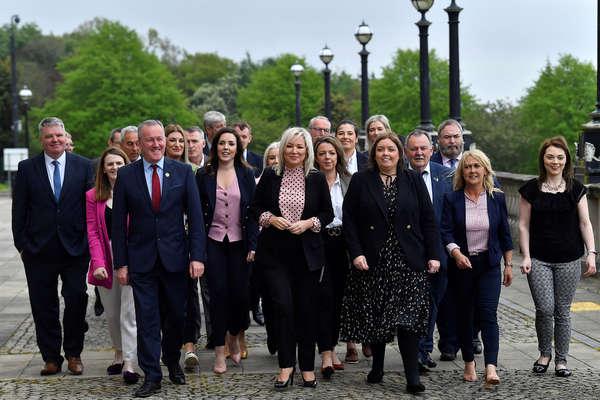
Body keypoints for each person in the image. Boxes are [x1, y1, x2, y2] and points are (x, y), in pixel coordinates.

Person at [340, 132, 440, 394]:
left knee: (407, 321)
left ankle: (411, 378)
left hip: (408, 260)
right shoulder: (362, 181)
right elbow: (349, 220)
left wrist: (433, 255)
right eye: (380, 149)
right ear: (373, 154)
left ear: (400, 154)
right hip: (374, 259)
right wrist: (356, 253)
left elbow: (428, 220)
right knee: (377, 316)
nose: (386, 153)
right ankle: (377, 366)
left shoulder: (413, 180)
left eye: (391, 150)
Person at [112, 120, 206, 398]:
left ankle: (172, 360)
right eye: (149, 140)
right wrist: (121, 263)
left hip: (176, 259)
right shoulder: (127, 175)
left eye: (159, 139)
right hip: (141, 261)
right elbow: (118, 224)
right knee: (147, 319)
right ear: (139, 143)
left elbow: (196, 218)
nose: (156, 144)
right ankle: (152, 374)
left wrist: (196, 256)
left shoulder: (182, 172)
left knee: (177, 317)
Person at [251, 127, 333, 390]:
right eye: (290, 146)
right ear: (283, 148)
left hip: (307, 255)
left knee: (306, 312)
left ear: (307, 150)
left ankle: (307, 367)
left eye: (300, 147)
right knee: (283, 308)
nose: (294, 151)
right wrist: (270, 219)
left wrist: (310, 223)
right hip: (274, 255)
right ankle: (286, 366)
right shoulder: (270, 176)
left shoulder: (316, 178)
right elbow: (254, 208)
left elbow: (327, 214)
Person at [12, 117, 94, 376]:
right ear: (42, 139)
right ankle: (51, 357)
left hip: (75, 249)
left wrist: (88, 243)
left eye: (59, 135)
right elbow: (19, 210)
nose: (55, 140)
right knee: (43, 304)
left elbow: (90, 208)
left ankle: (73, 353)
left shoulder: (83, 166)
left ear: (64, 136)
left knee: (76, 299)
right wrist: (22, 245)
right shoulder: (27, 168)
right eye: (49, 136)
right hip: (38, 251)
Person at [519, 136, 596, 377]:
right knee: (544, 308)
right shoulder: (531, 189)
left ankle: (561, 360)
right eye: (550, 156)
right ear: (543, 159)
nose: (555, 161)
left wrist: (591, 253)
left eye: (560, 157)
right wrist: (527, 256)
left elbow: (585, 223)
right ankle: (544, 353)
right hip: (539, 258)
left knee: (562, 310)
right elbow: (523, 225)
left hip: (570, 259)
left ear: (566, 160)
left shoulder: (576, 188)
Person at [441, 149, 513, 385]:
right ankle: (469, 363)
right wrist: (456, 252)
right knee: (466, 314)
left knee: (488, 314)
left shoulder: (497, 198)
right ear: (463, 171)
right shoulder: (452, 199)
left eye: (477, 166)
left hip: (489, 264)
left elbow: (504, 233)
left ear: (485, 170)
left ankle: (491, 367)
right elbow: (446, 231)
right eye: (468, 166)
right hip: (462, 264)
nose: (472, 170)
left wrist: (509, 264)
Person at [196, 127, 259, 373]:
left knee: (241, 297)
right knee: (218, 296)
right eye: (222, 143)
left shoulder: (246, 173)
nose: (226, 148)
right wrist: (197, 250)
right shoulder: (204, 174)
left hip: (240, 243)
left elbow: (253, 213)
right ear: (215, 146)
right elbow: (197, 213)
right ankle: (220, 351)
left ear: (238, 148)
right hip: (213, 243)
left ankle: (235, 335)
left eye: (231, 144)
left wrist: (253, 245)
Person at [86, 146, 139, 384]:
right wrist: (97, 262)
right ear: (104, 169)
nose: (115, 167)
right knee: (112, 312)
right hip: (105, 257)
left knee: (129, 311)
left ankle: (129, 360)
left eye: (119, 163)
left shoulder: (136, 190)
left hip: (131, 256)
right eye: (110, 164)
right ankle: (118, 350)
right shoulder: (92, 196)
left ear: (126, 164)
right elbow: (93, 233)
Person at [404, 129, 454, 371]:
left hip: (439, 252)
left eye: (423, 148)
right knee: (410, 302)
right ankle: (414, 349)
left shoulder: (446, 176)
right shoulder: (398, 176)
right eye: (414, 148)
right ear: (406, 152)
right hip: (406, 252)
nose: (419, 152)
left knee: (432, 302)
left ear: (432, 151)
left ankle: (422, 350)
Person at [313, 136, 352, 378]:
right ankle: (325, 352)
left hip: (343, 245)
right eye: (322, 153)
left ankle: (333, 347)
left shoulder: (349, 181)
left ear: (338, 155)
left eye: (331, 153)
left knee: (339, 300)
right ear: (315, 157)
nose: (327, 157)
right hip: (318, 242)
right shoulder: (311, 181)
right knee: (323, 298)